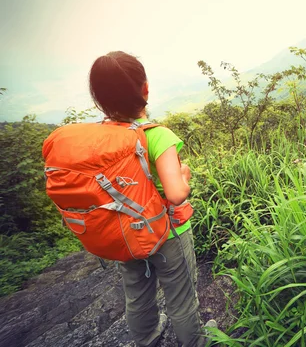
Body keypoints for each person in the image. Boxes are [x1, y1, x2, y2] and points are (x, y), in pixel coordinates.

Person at [88, 51, 215, 347]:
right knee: (182, 298)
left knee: (136, 295)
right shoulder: (157, 135)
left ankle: (147, 339)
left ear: (98, 99)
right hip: (167, 233)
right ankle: (195, 342)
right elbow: (175, 193)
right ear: (145, 88)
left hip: (124, 235)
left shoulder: (99, 139)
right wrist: (184, 175)